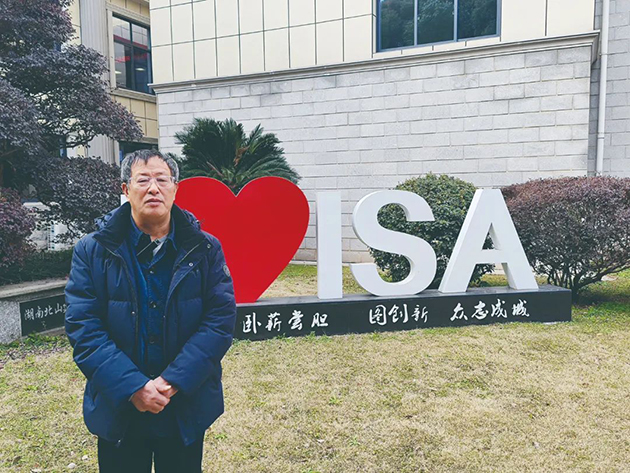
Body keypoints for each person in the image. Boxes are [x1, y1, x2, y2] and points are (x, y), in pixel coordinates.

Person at [65, 149, 236, 472]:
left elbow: (219, 322)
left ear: (176, 188)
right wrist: (133, 387)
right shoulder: (93, 250)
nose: (153, 188)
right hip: (120, 406)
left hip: (184, 403)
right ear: (126, 189)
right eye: (143, 180)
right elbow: (83, 326)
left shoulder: (205, 248)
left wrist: (172, 381)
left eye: (162, 179)